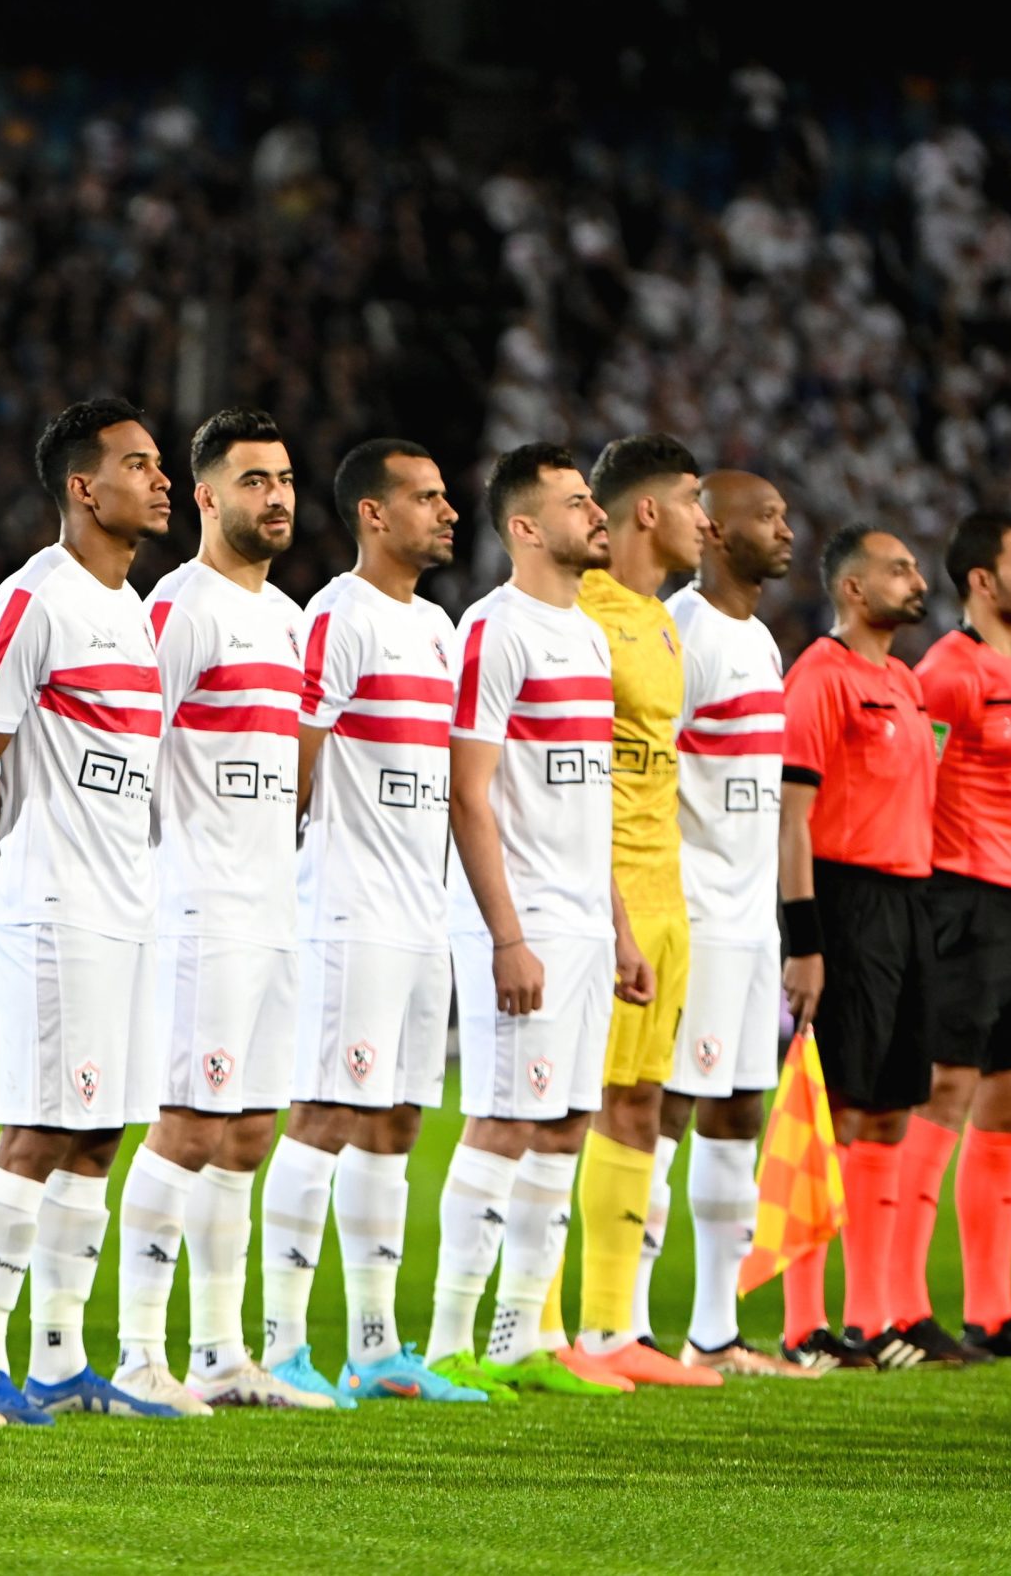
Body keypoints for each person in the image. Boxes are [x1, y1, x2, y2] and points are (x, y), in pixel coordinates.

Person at [0, 397, 177, 1421]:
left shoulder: (134, 610)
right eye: (139, 464)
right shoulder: (34, 599)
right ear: (84, 487)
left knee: (98, 1134)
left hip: (127, 903)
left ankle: (59, 1360)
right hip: (56, 900)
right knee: (38, 1129)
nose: (161, 479)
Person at [114, 410, 336, 1413]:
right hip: (198, 903)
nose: (276, 497)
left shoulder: (288, 618)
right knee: (187, 1124)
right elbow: (133, 752)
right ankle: (136, 1354)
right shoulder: (178, 607)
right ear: (204, 495)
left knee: (246, 1132)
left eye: (283, 479)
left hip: (272, 902)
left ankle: (219, 1353)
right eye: (254, 480)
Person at [427, 441, 653, 1400]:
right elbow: (467, 793)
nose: (597, 514)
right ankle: (447, 1341)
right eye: (575, 502)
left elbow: (589, 799)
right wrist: (507, 936)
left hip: (585, 924)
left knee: (564, 1124)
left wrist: (619, 929)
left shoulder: (590, 636)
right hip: (522, 921)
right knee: (502, 1121)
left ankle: (521, 1337)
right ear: (525, 527)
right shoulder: (494, 629)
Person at [269, 438, 486, 1407]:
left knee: (395, 1119)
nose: (447, 511)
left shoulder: (438, 627)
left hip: (419, 913)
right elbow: (296, 760)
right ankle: (282, 1345)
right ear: (373, 513)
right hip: (347, 910)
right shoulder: (336, 617)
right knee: (323, 1114)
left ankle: (376, 1347)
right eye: (426, 497)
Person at [658, 471, 820, 1376]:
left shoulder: (759, 639)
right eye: (767, 516)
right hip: (698, 914)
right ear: (714, 530)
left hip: (753, 921)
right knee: (666, 1110)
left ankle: (714, 1332)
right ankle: (624, 1325)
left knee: (738, 1111)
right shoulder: (682, 631)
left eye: (785, 515)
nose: (785, 529)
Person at [568, 434, 721, 1388]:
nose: (707, 520)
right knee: (568, 1106)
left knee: (641, 1104)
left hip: (668, 894)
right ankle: (542, 1328)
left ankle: (610, 1327)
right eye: (694, 499)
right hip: (605, 894)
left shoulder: (662, 623)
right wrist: (611, 906)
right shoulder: (581, 613)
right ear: (649, 511)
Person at [777, 523, 942, 1370]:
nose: (917, 580)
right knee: (835, 1110)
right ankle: (805, 1327)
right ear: (852, 588)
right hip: (845, 902)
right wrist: (805, 940)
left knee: (889, 1111)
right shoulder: (820, 677)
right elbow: (791, 821)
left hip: (910, 904)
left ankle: (874, 1319)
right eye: (898, 569)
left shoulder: (906, 683)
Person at [903, 512, 1011, 1368]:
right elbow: (912, 787)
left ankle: (995, 1314)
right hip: (964, 899)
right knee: (946, 1094)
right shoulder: (947, 675)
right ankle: (903, 1305)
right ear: (983, 581)